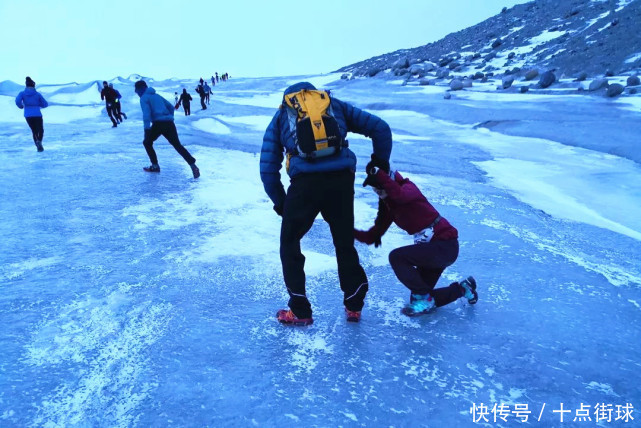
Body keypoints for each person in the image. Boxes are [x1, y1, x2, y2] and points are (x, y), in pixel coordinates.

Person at [260, 81, 392, 326]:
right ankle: (354, 304)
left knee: (290, 243)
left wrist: (282, 204)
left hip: (304, 186)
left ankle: (299, 309)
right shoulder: (334, 106)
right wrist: (379, 164)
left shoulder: (281, 117)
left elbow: (268, 169)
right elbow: (381, 129)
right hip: (341, 183)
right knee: (343, 242)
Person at [355, 161, 477, 317]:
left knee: (397, 257)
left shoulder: (408, 188)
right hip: (431, 249)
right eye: (374, 188)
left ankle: (425, 297)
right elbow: (376, 231)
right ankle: (462, 289)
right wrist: (349, 232)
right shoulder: (390, 205)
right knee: (418, 298)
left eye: (379, 186)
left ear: (390, 180)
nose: (377, 191)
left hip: (446, 245)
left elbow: (400, 196)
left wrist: (381, 175)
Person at [134, 80, 200, 179]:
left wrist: (147, 130)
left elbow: (146, 115)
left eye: (136, 91)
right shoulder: (157, 96)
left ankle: (155, 166)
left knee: (147, 142)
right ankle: (193, 165)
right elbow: (170, 107)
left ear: (140, 89)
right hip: (169, 123)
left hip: (158, 124)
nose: (137, 93)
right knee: (177, 145)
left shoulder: (144, 98)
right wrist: (169, 117)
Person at [15, 76, 48, 152]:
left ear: (26, 85)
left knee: (34, 130)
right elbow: (45, 104)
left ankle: (37, 144)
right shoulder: (37, 94)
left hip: (28, 115)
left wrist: (21, 106)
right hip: (37, 114)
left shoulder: (22, 93)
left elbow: (17, 101)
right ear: (33, 85)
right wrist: (39, 105)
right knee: (40, 130)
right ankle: (39, 141)